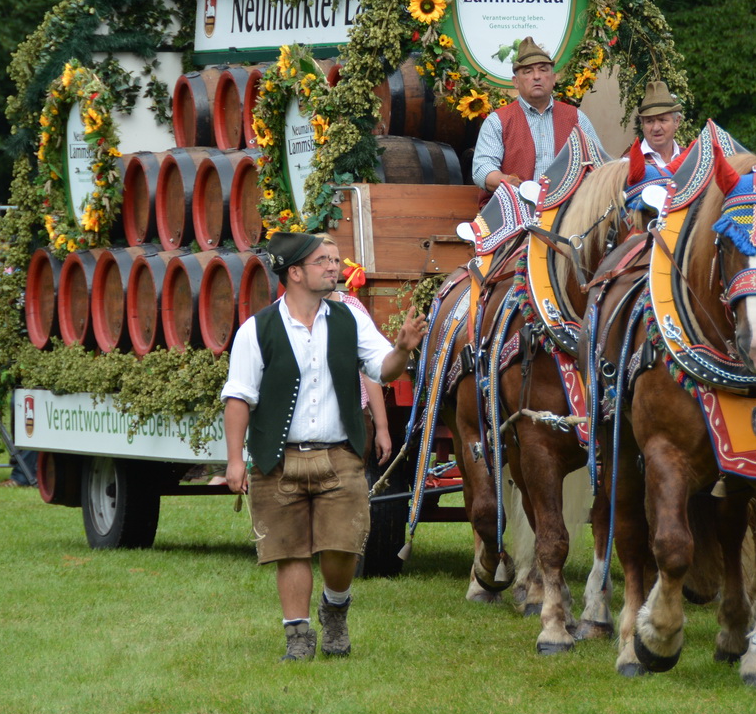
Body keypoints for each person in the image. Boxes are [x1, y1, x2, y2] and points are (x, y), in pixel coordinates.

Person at [221, 233, 425, 661]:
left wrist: (403, 349)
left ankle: (334, 609)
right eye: (323, 261)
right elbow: (239, 396)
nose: (334, 267)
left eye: (335, 260)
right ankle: (298, 637)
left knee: (342, 546)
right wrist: (236, 459)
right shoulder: (256, 330)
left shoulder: (349, 319)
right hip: (278, 458)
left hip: (339, 455)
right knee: (288, 549)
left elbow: (383, 369)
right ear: (294, 272)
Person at [472, 36, 606, 191]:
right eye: (528, 71)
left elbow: (598, 165)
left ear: (554, 78)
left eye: (543, 70)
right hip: (515, 206)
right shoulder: (498, 121)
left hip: (566, 209)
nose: (536, 76)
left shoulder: (576, 118)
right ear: (515, 82)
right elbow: (482, 169)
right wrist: (506, 181)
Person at [635, 80, 683, 168]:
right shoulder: (628, 164)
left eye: (662, 120)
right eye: (649, 121)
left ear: (676, 121)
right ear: (642, 124)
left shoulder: (690, 160)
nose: (656, 128)